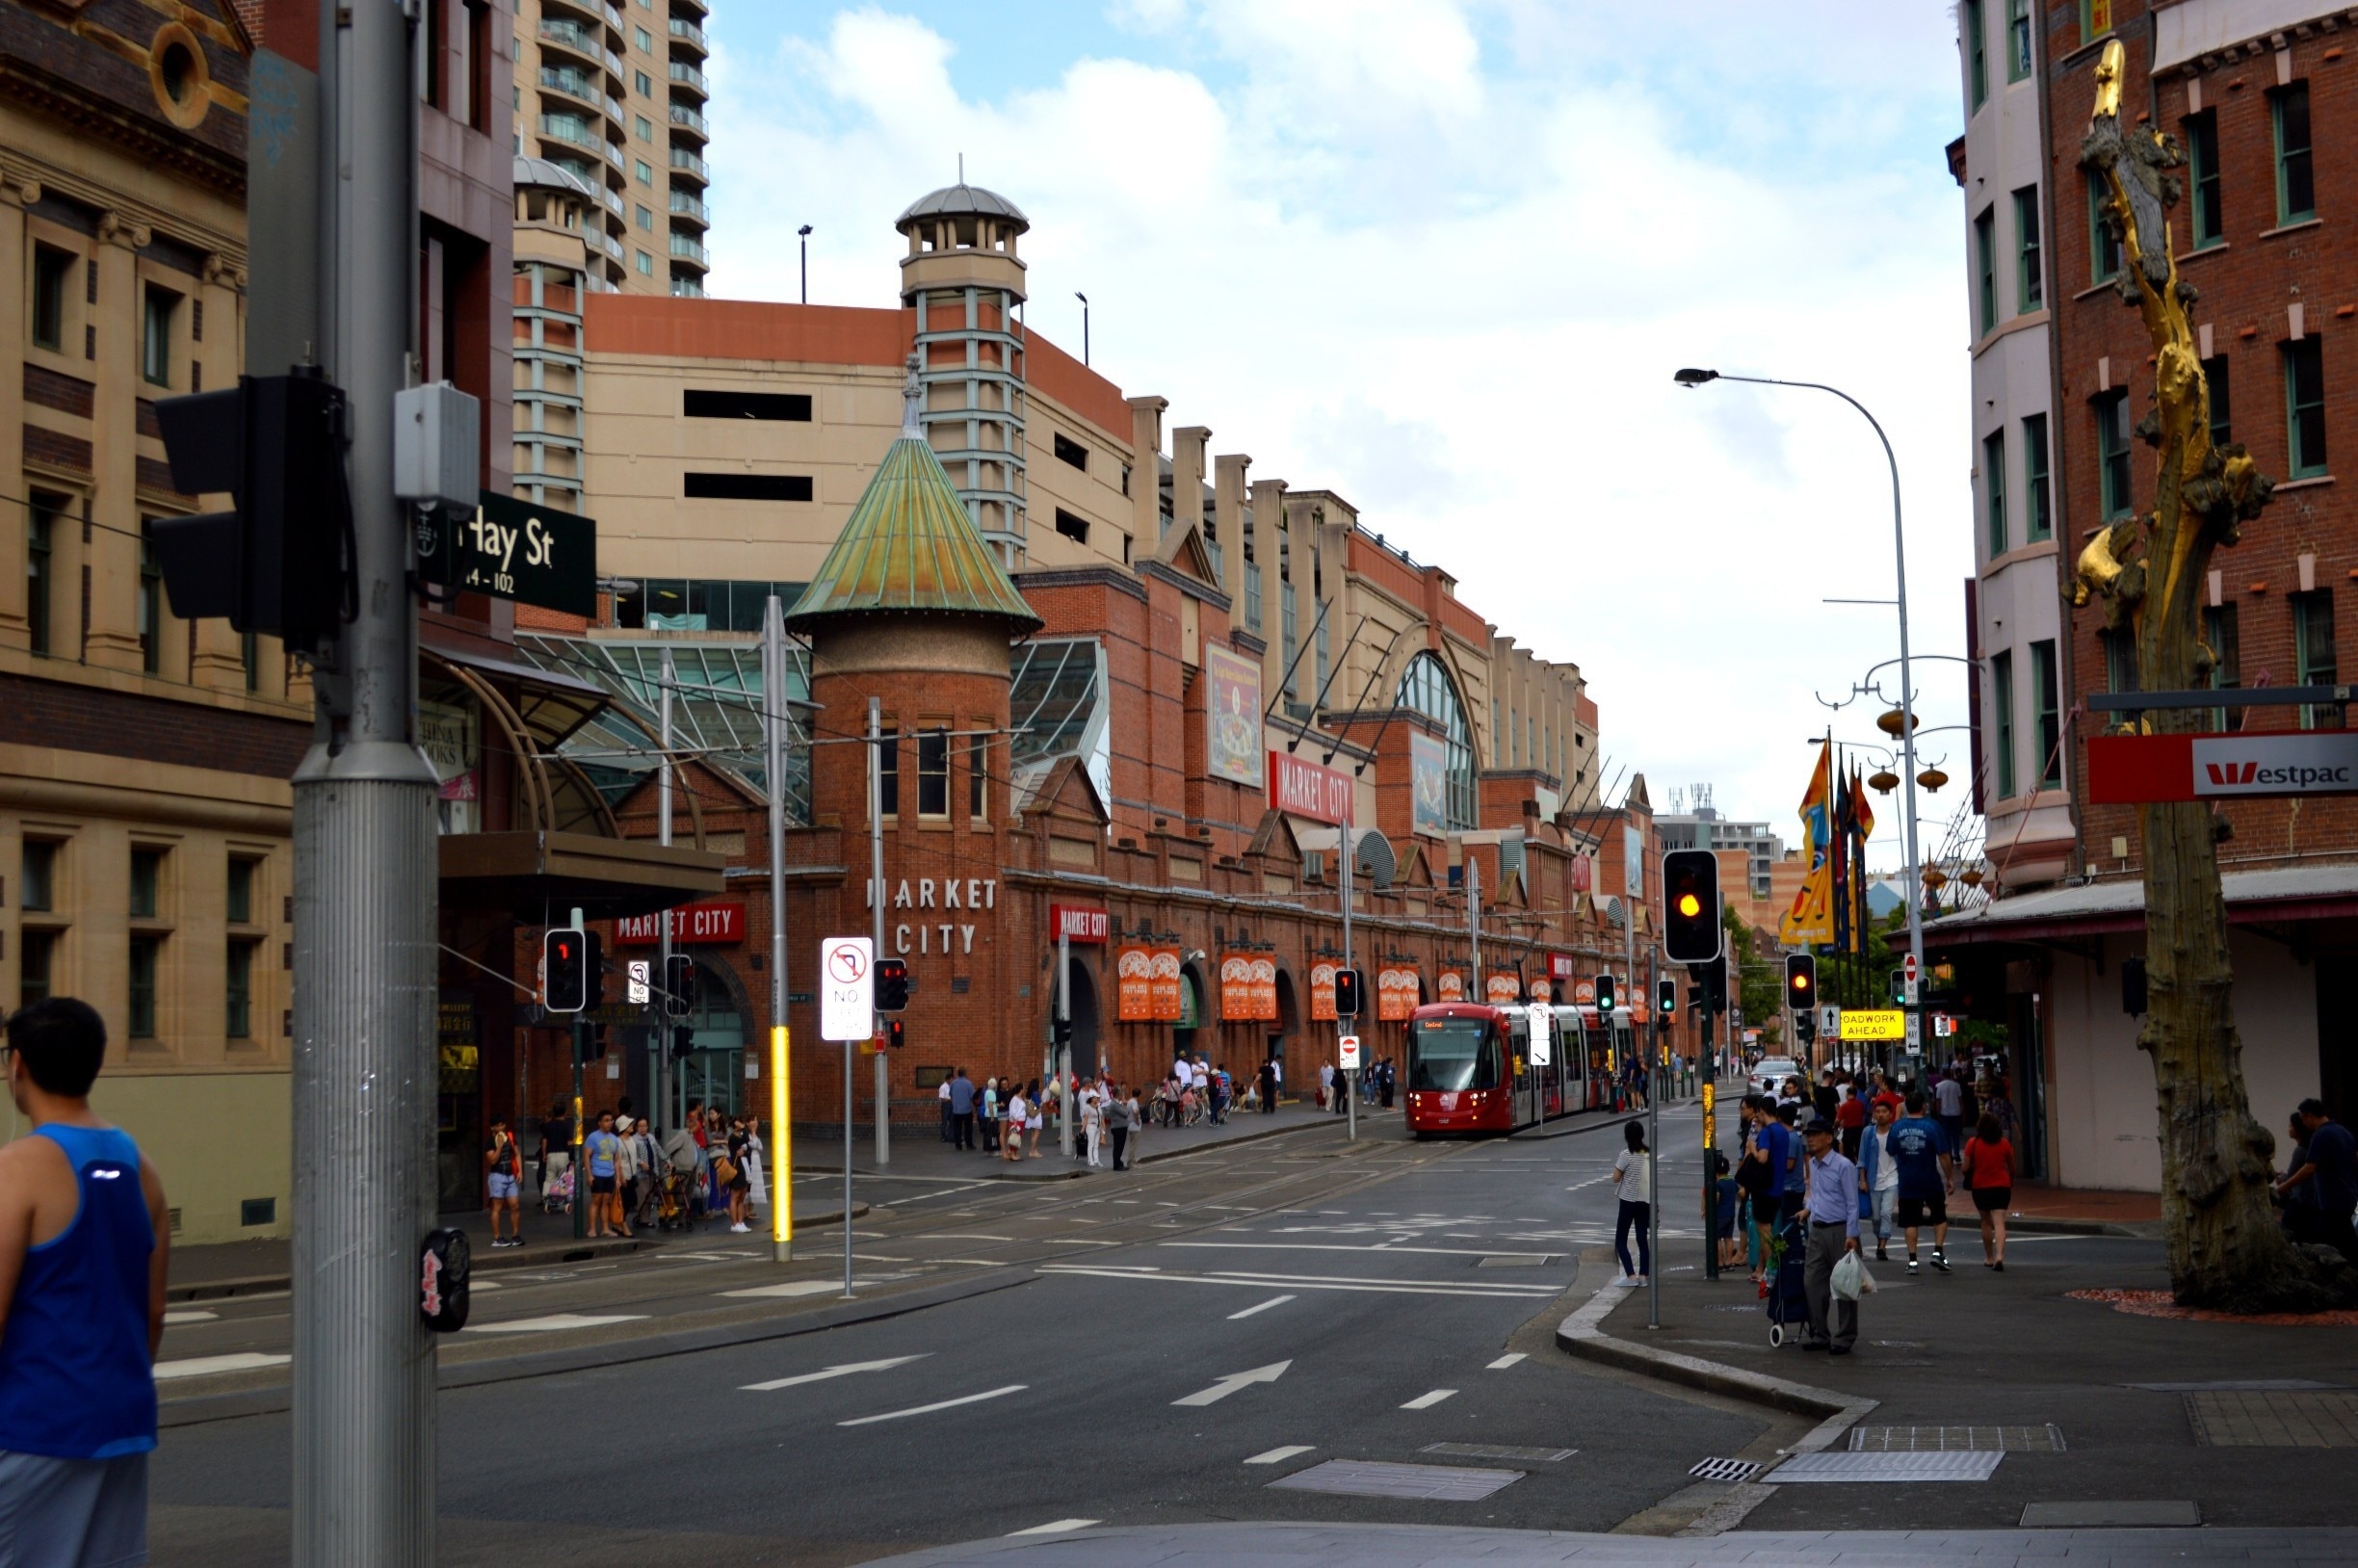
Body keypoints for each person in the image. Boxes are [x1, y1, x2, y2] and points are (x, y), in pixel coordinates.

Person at [0, 998, 169, 1567]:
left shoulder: (16, 1169)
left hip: (32, 1428)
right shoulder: (141, 1166)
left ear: (16, 1065)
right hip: (121, 1423)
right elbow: (153, 1310)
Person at [1798, 1114, 1861, 1355]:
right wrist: (1807, 1209)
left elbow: (1852, 1203)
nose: (1810, 1140)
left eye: (1815, 1135)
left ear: (1829, 1138)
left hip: (1840, 1231)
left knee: (1845, 1287)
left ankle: (1845, 1337)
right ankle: (1820, 1334)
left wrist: (1852, 1234)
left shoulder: (1844, 1166)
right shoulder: (1813, 1164)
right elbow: (1818, 1195)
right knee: (1812, 1283)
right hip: (1818, 1229)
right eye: (1808, 1136)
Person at [2276, 1098, 2358, 1262]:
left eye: (2302, 1119)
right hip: (2347, 1196)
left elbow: (2310, 1167)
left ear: (2309, 1116)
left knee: (2318, 1243)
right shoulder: (2344, 1132)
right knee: (2345, 1241)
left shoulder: (2321, 1135)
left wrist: (2286, 1185)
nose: (2303, 1125)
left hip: (2332, 1199)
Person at [1889, 1090, 1955, 1275]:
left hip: (1907, 1180)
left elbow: (1891, 1151)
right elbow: (1943, 1155)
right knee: (1939, 1215)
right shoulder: (1932, 1126)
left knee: (1910, 1221)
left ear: (1905, 1107)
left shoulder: (1897, 1128)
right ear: (1924, 1107)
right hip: (1929, 1178)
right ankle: (1938, 1252)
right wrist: (1950, 1178)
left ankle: (1912, 1261)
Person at [1960, 1111, 2015, 1269]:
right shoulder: (2004, 1144)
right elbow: (2012, 1167)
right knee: (1999, 1222)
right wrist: (2011, 1180)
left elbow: (1964, 1169)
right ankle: (2000, 1256)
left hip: (1980, 1187)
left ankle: (1989, 1257)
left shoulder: (1973, 1143)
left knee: (1985, 1221)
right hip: (2002, 1186)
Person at [1857, 1096, 1901, 1262]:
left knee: (1885, 1213)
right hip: (1874, 1179)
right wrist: (1862, 1179)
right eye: (1878, 1112)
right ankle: (1879, 1240)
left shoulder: (1896, 1133)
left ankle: (1882, 1246)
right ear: (1874, 1114)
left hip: (1893, 1178)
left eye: (1884, 1112)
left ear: (1890, 1114)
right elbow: (1862, 1158)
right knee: (1875, 1217)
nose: (1881, 1115)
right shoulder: (1868, 1133)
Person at [1611, 1120, 1651, 1286]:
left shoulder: (1626, 1155)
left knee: (1621, 1239)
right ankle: (1643, 1276)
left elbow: (1616, 1177)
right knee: (1642, 1239)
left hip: (1628, 1201)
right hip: (1645, 1201)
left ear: (1627, 1137)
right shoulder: (1648, 1153)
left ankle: (1630, 1276)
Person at [2277, 1111, 2322, 1244]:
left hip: (2300, 1201)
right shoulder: (2311, 1148)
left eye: (2291, 1126)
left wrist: (2282, 1179)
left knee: (2286, 1232)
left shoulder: (2300, 1151)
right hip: (2312, 1202)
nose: (2289, 1129)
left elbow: (2291, 1177)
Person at [485, 1117, 525, 1247]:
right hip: (497, 1176)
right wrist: (500, 1146)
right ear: (493, 1128)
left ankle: (516, 1235)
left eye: (503, 1124)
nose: (501, 1127)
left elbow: (517, 1153)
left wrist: (519, 1171)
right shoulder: (490, 1142)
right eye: (498, 1125)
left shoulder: (510, 1137)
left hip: (510, 1176)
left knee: (515, 1205)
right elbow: (492, 1160)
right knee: (497, 1206)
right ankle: (497, 1237)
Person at [583, 1111, 622, 1239]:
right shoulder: (593, 1137)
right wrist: (589, 1175)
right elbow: (587, 1156)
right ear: (599, 1123)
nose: (609, 1123)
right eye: (606, 1120)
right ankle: (592, 1229)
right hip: (597, 1174)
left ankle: (605, 1228)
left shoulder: (614, 1139)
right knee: (596, 1201)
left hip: (609, 1175)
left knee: (606, 1202)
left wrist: (617, 1177)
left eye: (611, 1120)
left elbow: (616, 1159)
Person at [537, 1097, 573, 1213]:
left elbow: (544, 1141)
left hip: (551, 1155)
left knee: (549, 1179)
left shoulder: (548, 1125)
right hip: (563, 1154)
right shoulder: (567, 1125)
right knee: (563, 1179)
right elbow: (569, 1142)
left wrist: (544, 1154)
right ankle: (562, 1202)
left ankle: (546, 1200)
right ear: (565, 1112)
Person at [610, 1115, 642, 1240]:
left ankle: (618, 1224)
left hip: (632, 1175)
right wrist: (620, 1176)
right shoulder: (618, 1142)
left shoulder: (632, 1140)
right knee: (624, 1202)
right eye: (629, 1125)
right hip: (624, 1176)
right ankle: (623, 1225)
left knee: (631, 1201)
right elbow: (617, 1161)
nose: (632, 1126)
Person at [1932, 1069, 1967, 1163]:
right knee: (1955, 1135)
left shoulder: (1939, 1086)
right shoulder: (1957, 1085)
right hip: (1956, 1113)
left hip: (1944, 1114)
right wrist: (1963, 1113)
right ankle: (1956, 1154)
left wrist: (1938, 1114)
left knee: (1946, 1136)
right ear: (1950, 1075)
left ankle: (1949, 1155)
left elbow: (1938, 1102)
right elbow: (1960, 1101)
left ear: (1942, 1075)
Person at [1835, 1075, 1868, 1161]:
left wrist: (1835, 1126)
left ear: (1848, 1094)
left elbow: (1837, 1120)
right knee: (1858, 1150)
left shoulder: (1844, 1106)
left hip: (1848, 1131)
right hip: (1858, 1130)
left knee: (1848, 1152)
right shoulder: (1860, 1104)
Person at [948, 1067, 977, 1152]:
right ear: (965, 1073)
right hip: (967, 1109)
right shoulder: (968, 1083)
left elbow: (950, 1094)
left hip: (956, 1109)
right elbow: (972, 1096)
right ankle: (969, 1144)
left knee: (957, 1128)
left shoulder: (953, 1083)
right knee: (968, 1128)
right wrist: (975, 1107)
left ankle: (958, 1145)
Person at [1104, 1084, 1131, 1171]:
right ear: (1118, 1095)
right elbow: (1126, 1113)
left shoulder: (1118, 1103)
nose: (1122, 1096)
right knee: (1118, 1147)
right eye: (1121, 1094)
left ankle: (1119, 1162)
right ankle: (1116, 1165)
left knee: (1121, 1146)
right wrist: (1125, 1107)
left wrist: (1124, 1106)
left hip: (1122, 1127)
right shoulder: (1114, 1104)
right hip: (1118, 1128)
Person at [1001, 1083, 1029, 1164]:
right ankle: (1012, 1153)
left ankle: (1015, 1153)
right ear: (1021, 1089)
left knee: (1018, 1137)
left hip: (1021, 1120)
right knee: (1015, 1136)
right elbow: (1013, 1111)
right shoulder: (1015, 1099)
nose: (1025, 1090)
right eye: (1024, 1088)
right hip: (1017, 1121)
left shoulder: (1020, 1098)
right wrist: (1015, 1121)